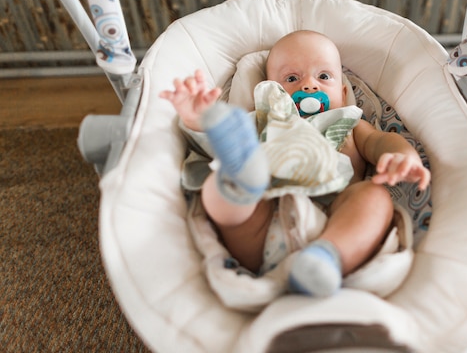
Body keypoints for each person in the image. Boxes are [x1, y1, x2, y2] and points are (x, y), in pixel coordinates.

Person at [159, 30, 430, 297]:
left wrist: (401, 156)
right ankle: (241, 182)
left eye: (324, 76)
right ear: (270, 90)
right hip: (265, 224)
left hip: (335, 217)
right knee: (221, 191)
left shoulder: (348, 123)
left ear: (343, 90)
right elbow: (211, 148)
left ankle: (325, 258)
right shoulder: (267, 120)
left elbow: (380, 141)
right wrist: (199, 120)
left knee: (374, 197)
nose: (310, 86)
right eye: (292, 78)